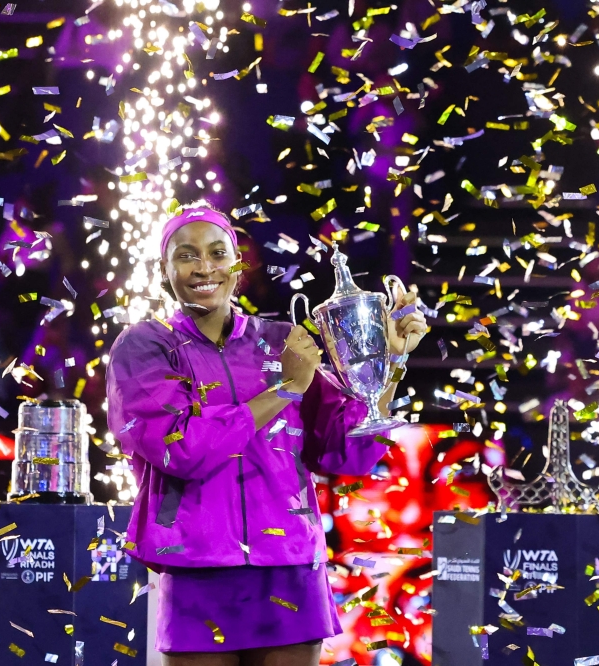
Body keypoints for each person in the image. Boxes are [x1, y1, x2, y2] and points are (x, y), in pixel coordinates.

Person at [106, 204, 428, 666]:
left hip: (290, 566)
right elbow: (183, 451)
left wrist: (390, 365)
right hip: (198, 567)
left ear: (237, 266)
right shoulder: (145, 346)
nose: (204, 267)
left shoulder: (283, 341)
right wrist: (285, 390)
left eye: (218, 253)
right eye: (187, 255)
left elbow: (346, 453)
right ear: (163, 271)